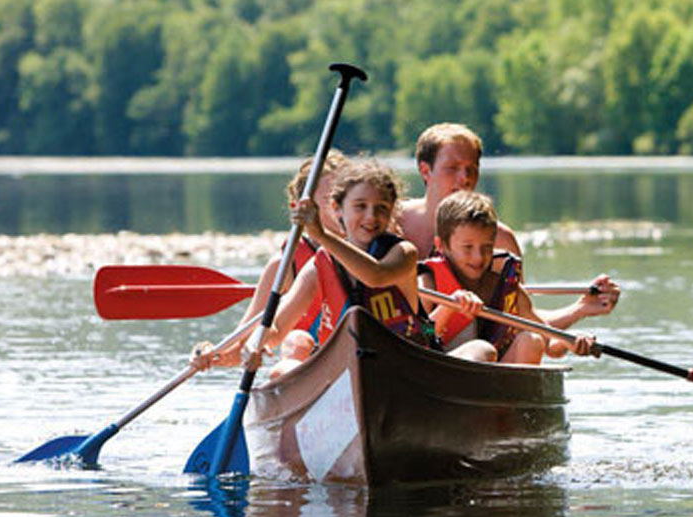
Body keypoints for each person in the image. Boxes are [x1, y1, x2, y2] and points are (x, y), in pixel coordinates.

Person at [398, 123, 620, 330]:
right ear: (425, 171)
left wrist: (580, 309)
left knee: (525, 341)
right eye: (452, 168)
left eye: (471, 168)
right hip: (410, 335)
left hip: (467, 348)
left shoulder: (500, 239)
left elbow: (524, 321)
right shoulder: (392, 221)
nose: (465, 178)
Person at [254, 159, 438, 379]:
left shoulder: (403, 253)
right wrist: (257, 340)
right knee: (282, 369)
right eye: (360, 206)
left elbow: (375, 276)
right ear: (337, 208)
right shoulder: (320, 266)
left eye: (382, 208)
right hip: (345, 372)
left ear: (392, 211)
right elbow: (277, 329)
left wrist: (321, 235)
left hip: (402, 366)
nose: (371, 216)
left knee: (478, 350)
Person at [192, 149, 349, 370]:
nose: (340, 208)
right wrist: (208, 353)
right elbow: (237, 349)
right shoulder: (285, 264)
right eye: (329, 200)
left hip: (361, 355)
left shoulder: (372, 247)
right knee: (297, 341)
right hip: (309, 363)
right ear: (300, 209)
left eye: (345, 198)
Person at [418, 190, 594, 365]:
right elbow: (419, 334)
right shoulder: (428, 282)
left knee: (532, 340)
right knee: (481, 349)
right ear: (441, 246)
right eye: (468, 247)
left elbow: (550, 345)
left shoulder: (508, 290)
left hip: (492, 378)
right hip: (440, 369)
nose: (478, 257)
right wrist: (447, 307)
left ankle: (518, 393)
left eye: (486, 247)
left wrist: (572, 342)